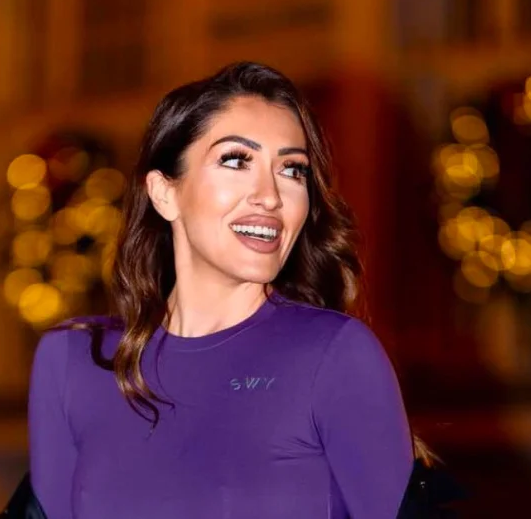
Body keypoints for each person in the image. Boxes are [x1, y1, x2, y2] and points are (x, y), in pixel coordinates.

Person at [28, 62, 415, 518]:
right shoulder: (70, 362)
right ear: (164, 193)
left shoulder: (335, 355)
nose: (270, 195)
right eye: (236, 160)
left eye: (292, 170)